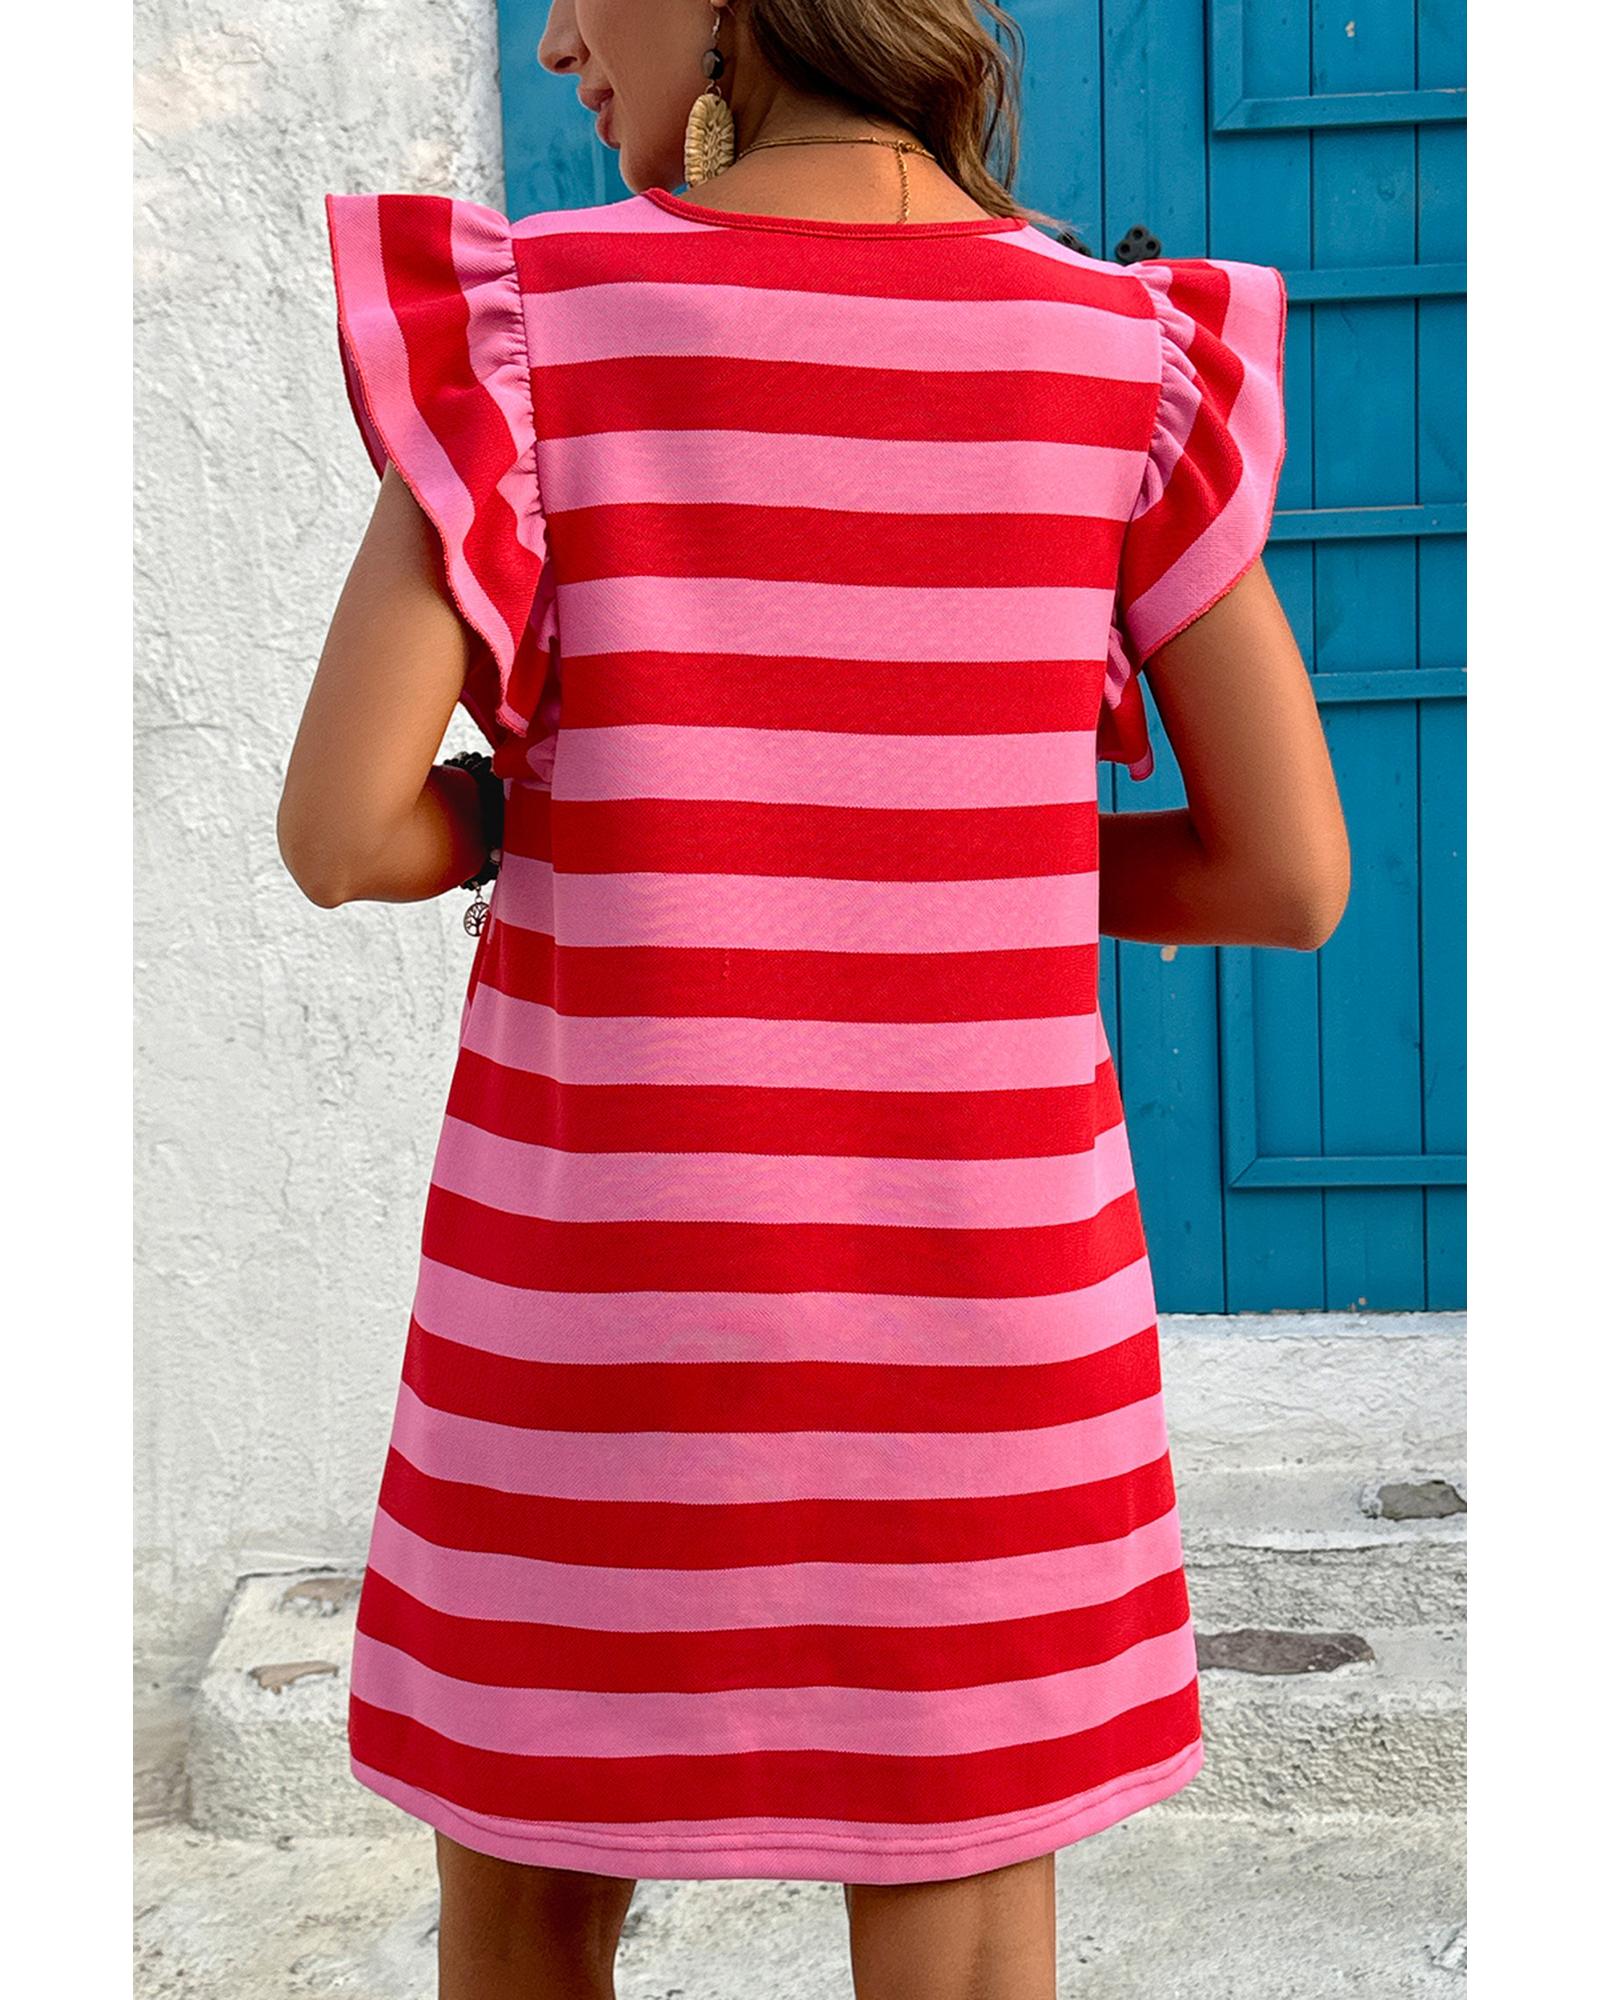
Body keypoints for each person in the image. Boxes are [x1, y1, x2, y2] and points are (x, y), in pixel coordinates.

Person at [277, 2, 1350, 1994]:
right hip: (979, 1316)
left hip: (592, 1312)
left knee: (530, 1884)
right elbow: (1286, 877)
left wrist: (554, 817)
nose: (554, 43)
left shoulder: (533, 329)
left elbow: (342, 830)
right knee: (956, 1900)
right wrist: (961, 860)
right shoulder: (1125, 356)